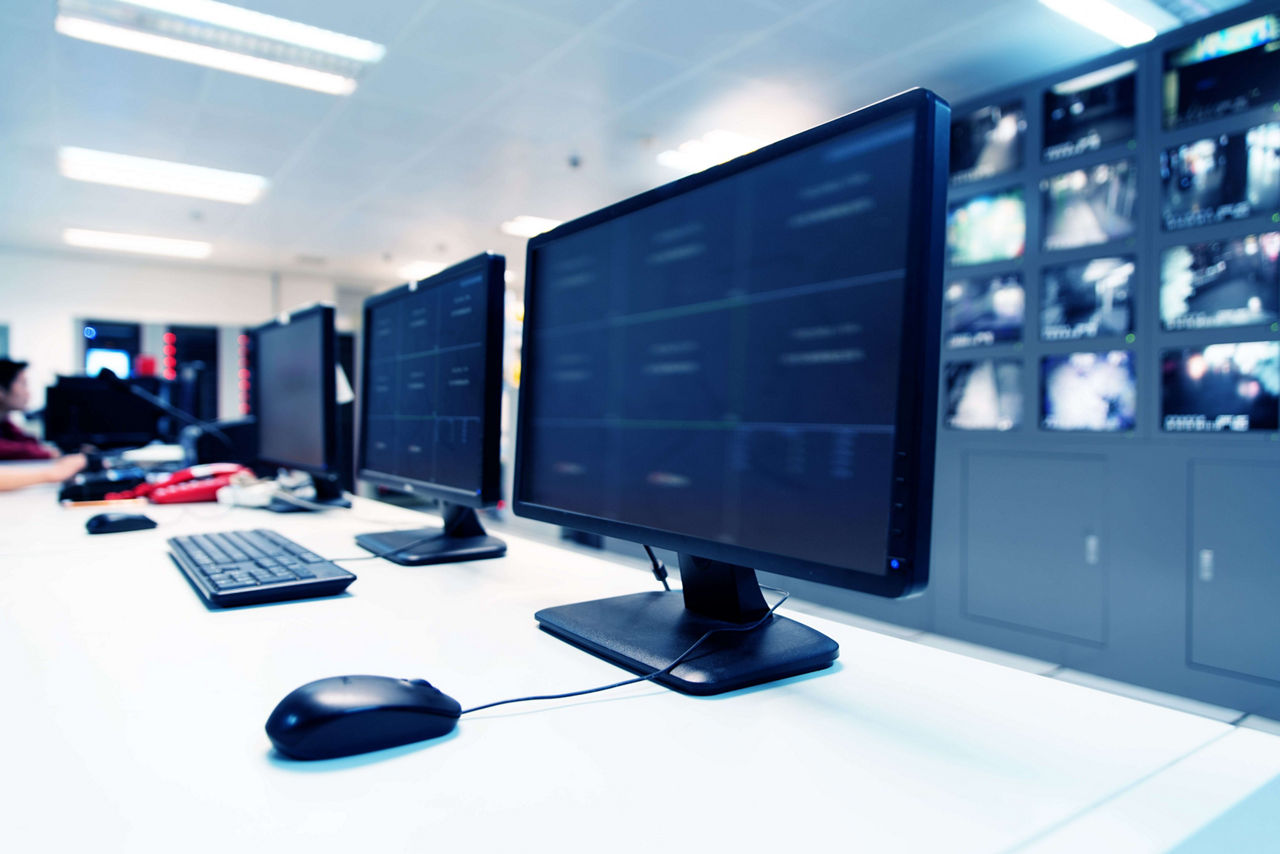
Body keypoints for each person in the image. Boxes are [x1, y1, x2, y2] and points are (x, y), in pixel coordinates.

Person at [0, 359, 85, 489]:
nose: (28, 393)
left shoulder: (5, 423)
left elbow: (27, 442)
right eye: (23, 384)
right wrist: (52, 471)